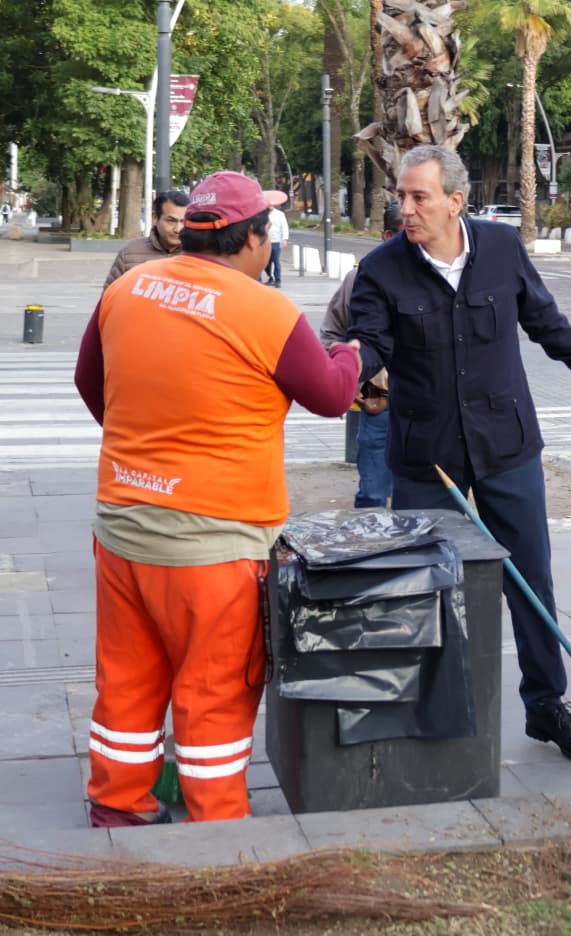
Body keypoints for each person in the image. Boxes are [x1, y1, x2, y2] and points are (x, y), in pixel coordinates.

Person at [74, 171, 361, 826]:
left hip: (122, 530)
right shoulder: (265, 310)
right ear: (255, 239)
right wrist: (350, 351)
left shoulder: (126, 290)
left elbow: (91, 380)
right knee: (213, 696)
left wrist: (144, 447)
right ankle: (215, 830)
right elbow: (331, 395)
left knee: (126, 680)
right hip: (216, 547)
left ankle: (118, 808)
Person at [347, 145, 571, 765]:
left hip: (506, 446)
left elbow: (548, 325)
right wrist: (338, 371)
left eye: (418, 197)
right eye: (400, 196)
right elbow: (368, 344)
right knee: (425, 587)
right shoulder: (380, 269)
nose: (404, 208)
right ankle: (430, 712)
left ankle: (547, 706)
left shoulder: (502, 250)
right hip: (426, 457)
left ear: (455, 202)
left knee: (530, 580)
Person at [319, 201, 402, 507]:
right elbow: (330, 334)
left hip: (431, 407)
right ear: (388, 236)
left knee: (425, 500)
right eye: (405, 234)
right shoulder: (359, 279)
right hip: (379, 402)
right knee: (373, 496)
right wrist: (354, 385)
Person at [102, 190, 190, 288]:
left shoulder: (198, 255)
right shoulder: (129, 253)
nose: (178, 229)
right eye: (171, 221)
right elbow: (109, 297)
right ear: (155, 218)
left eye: (184, 221)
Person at [265, 203, 290, 287]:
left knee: (276, 261)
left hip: (276, 240)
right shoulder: (263, 214)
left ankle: (278, 280)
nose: (269, 206)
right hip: (265, 241)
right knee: (266, 262)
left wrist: (285, 239)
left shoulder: (279, 214)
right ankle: (270, 277)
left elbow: (284, 227)